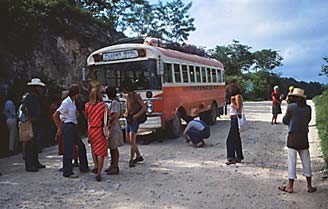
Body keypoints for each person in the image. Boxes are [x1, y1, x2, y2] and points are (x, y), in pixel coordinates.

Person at [278, 88, 316, 193]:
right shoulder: (308, 108)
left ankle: (290, 186)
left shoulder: (291, 107)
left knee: (292, 161)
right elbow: (308, 120)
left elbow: (285, 121)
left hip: (293, 137)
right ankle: (309, 186)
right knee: (306, 160)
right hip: (304, 136)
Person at [53, 84, 89, 178]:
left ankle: (84, 167)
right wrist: (60, 127)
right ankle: (67, 171)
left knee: (81, 146)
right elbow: (55, 115)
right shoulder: (66, 103)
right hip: (67, 125)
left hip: (72, 125)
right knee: (68, 149)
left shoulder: (73, 102)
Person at [21, 78, 46, 172]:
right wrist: (29, 117)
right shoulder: (31, 96)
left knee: (35, 143)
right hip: (32, 121)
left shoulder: (35, 96)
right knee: (30, 143)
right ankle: (30, 164)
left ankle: (35, 162)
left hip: (36, 121)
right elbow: (23, 108)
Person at [85, 87, 109, 181]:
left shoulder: (87, 105)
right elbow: (107, 117)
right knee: (101, 152)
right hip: (99, 130)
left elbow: (87, 116)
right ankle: (99, 172)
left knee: (94, 149)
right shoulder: (103, 106)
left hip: (91, 130)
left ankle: (95, 166)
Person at [122, 80, 146, 168]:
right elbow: (128, 108)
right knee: (129, 139)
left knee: (132, 140)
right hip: (129, 118)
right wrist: (125, 113)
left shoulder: (136, 96)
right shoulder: (127, 96)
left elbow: (144, 107)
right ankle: (138, 156)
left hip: (134, 119)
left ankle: (131, 159)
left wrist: (136, 115)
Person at [53, 91, 79, 170]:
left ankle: (72, 162)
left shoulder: (70, 103)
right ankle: (68, 164)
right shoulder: (65, 104)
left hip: (67, 125)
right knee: (66, 146)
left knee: (69, 146)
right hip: (65, 125)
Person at [105, 87, 124, 175]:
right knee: (111, 147)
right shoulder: (114, 102)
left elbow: (115, 115)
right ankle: (112, 164)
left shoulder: (115, 102)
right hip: (113, 126)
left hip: (114, 126)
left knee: (114, 147)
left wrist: (109, 121)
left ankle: (115, 166)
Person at [225, 84, 244, 165]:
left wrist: (232, 102)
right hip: (234, 119)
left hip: (235, 119)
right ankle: (239, 156)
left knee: (230, 140)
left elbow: (238, 108)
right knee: (236, 139)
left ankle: (231, 157)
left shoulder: (237, 97)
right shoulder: (237, 96)